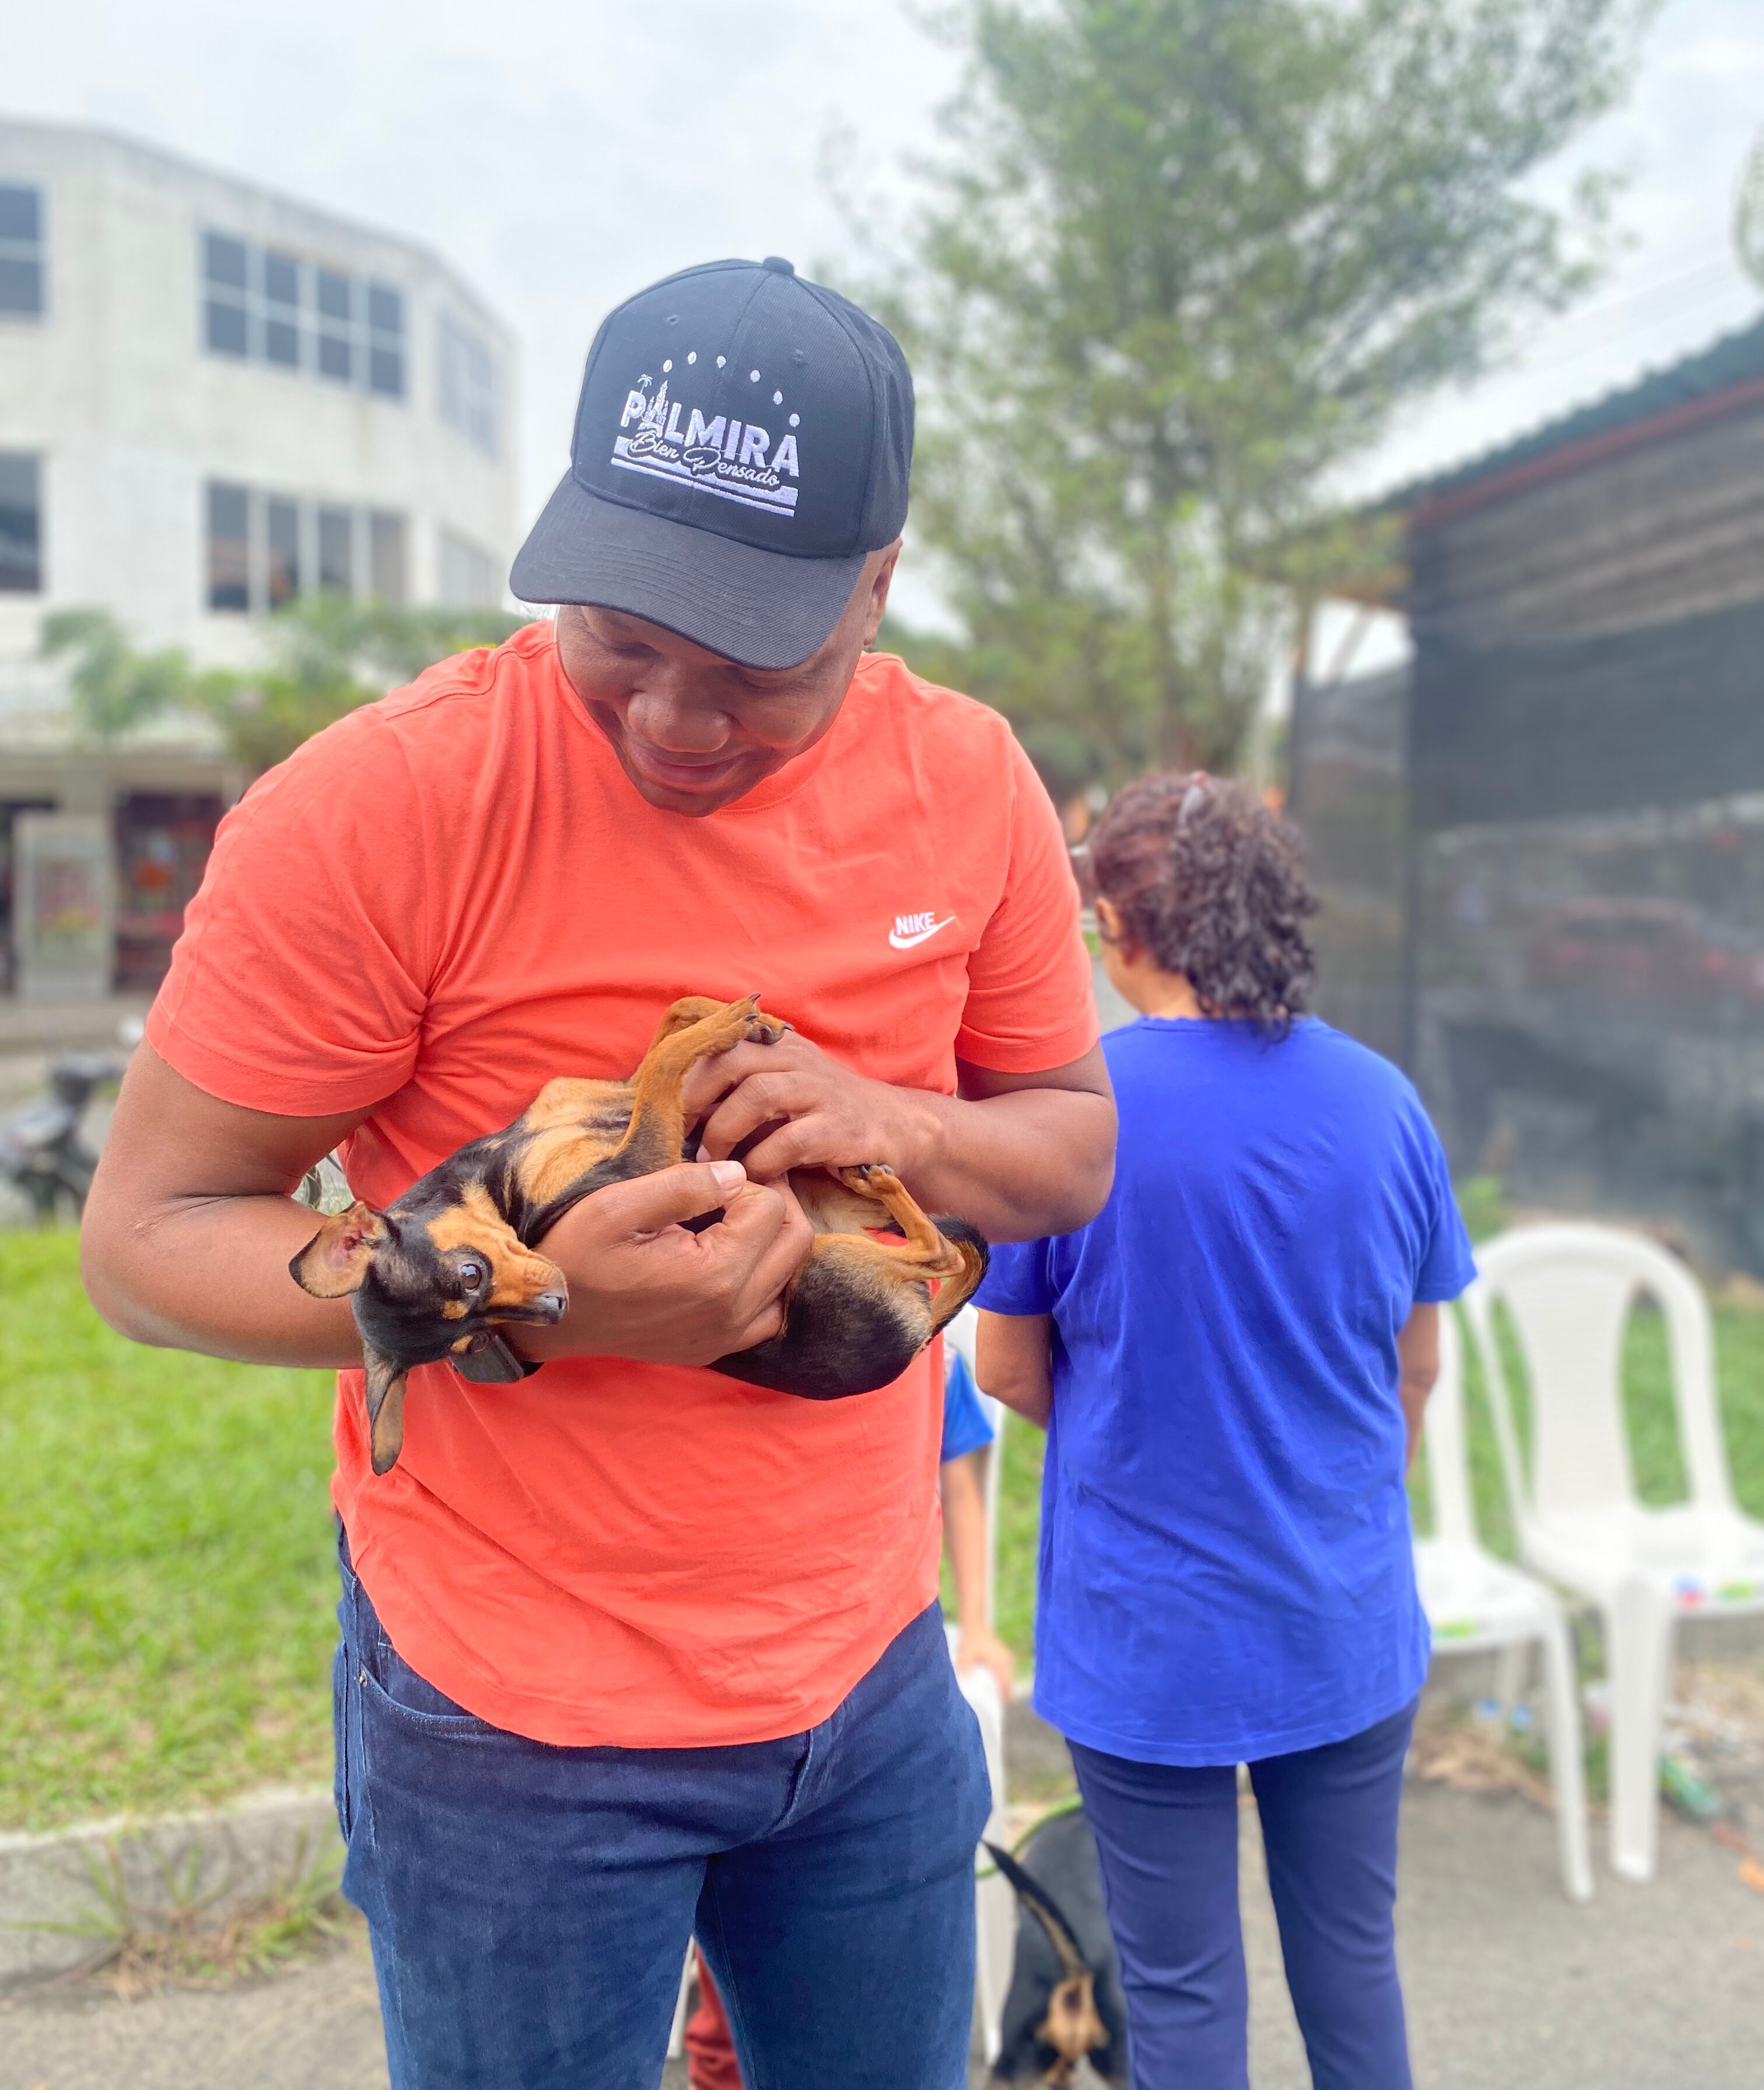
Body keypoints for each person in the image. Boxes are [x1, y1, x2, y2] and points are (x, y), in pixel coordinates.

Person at [82, 255, 1115, 2090]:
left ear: (876, 586)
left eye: (756, 669)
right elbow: (149, 1239)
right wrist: (529, 1296)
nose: (672, 724)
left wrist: (904, 1123)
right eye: (619, 636)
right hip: (508, 1721)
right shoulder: (382, 811)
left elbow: (1070, 1148)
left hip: (869, 1678)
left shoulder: (968, 785)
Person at [978, 772, 1473, 2090]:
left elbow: (1008, 1368)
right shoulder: (1385, 1101)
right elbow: (1417, 1363)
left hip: (1147, 1628)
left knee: (1183, 1996)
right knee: (1353, 1968)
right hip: (1342, 1609)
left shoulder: (1073, 1120)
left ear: (1123, 929)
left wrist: (1138, 1420)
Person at [685, 1334, 1014, 2089]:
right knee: (725, 1993)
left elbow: (963, 1486)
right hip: (711, 1691)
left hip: (867, 1673)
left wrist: (981, 1623)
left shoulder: (928, 1353)